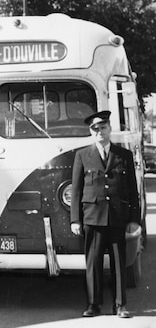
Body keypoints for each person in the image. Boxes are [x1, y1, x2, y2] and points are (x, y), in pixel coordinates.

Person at [70, 110, 140, 319]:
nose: (99, 131)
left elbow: (132, 190)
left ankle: (120, 305)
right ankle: (93, 304)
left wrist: (134, 219)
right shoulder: (82, 155)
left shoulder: (123, 155)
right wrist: (75, 219)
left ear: (110, 129)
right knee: (94, 262)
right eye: (95, 129)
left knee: (119, 262)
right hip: (92, 216)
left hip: (118, 217)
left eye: (103, 127)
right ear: (91, 132)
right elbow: (76, 189)